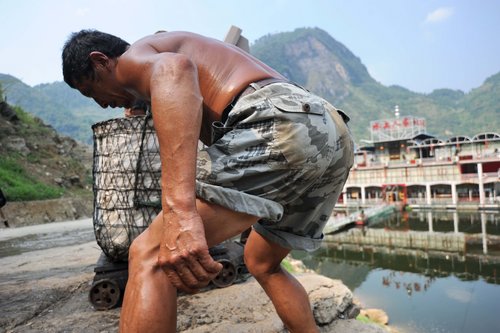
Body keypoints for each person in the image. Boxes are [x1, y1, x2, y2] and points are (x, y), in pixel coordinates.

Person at [62, 29, 354, 333]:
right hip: (329, 130)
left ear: (101, 62)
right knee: (261, 262)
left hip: (280, 123)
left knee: (150, 253)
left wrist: (179, 211)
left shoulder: (133, 57)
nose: (101, 104)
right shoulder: (172, 49)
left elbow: (174, 70)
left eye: (91, 91)